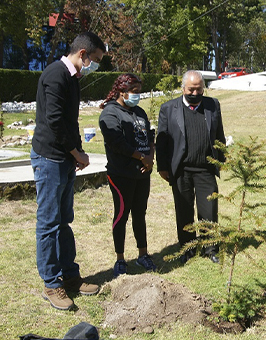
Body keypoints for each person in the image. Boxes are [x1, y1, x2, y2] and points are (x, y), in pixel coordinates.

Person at [31, 31, 106, 311]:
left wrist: (77, 151)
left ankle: (70, 276)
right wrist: (75, 152)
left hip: (64, 159)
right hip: (49, 158)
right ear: (83, 54)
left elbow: (70, 121)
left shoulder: (73, 78)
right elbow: (54, 122)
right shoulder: (55, 75)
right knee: (49, 223)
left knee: (64, 220)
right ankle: (52, 283)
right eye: (96, 60)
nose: (96, 65)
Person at [156, 70, 226, 265]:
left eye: (199, 89)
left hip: (205, 168)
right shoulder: (169, 109)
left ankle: (210, 247)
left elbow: (219, 133)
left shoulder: (213, 105)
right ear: (183, 88)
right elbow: (161, 141)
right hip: (181, 170)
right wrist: (162, 166)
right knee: (184, 211)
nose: (195, 94)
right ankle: (187, 248)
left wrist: (222, 158)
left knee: (209, 210)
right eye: (191, 90)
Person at [98, 73, 155, 278]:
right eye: (135, 92)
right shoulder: (110, 113)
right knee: (121, 215)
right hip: (120, 174)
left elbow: (149, 136)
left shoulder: (139, 112)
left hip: (142, 173)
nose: (138, 96)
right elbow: (117, 143)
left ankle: (143, 254)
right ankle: (120, 259)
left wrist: (150, 156)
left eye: (140, 92)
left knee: (140, 214)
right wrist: (141, 157)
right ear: (122, 92)